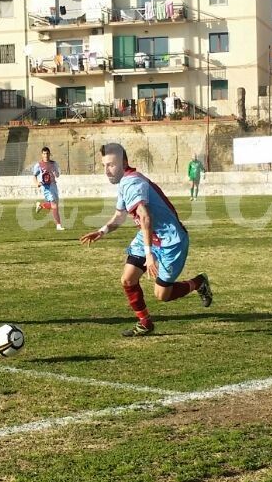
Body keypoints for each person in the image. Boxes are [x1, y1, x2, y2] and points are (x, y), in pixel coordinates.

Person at [79, 142, 212, 337]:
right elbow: (119, 216)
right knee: (128, 279)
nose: (107, 170)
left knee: (162, 295)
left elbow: (145, 217)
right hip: (148, 235)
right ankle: (145, 322)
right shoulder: (125, 182)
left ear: (124, 162)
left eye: (112, 165)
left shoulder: (132, 183)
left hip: (170, 241)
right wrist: (102, 231)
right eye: (104, 166)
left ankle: (199, 283)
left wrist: (149, 254)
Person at [31, 146, 63, 231]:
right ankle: (58, 225)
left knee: (54, 206)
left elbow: (57, 175)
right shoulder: (38, 165)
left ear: (50, 154)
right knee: (54, 205)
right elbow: (34, 176)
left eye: (47, 153)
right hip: (46, 187)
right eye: (44, 153)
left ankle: (40, 205)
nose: (46, 155)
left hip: (53, 185)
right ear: (42, 154)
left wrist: (55, 173)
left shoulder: (54, 163)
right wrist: (36, 183)